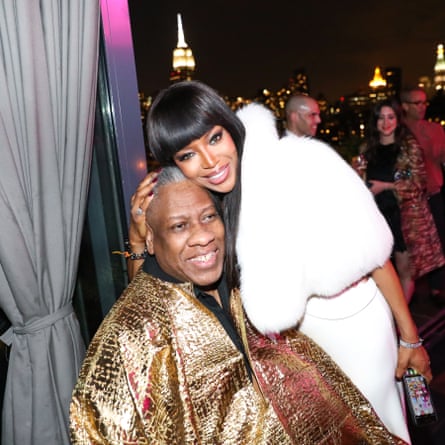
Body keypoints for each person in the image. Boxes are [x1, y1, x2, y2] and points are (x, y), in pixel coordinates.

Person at [128, 81, 431, 443]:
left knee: (374, 431)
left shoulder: (299, 162)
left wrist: (411, 340)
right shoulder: (208, 208)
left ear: (230, 127)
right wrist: (136, 238)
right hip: (284, 352)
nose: (209, 162)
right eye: (187, 155)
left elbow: (377, 258)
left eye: (213, 138)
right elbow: (153, 298)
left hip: (352, 325)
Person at [70, 167, 405, 444]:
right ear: (152, 241)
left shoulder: (247, 287)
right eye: (179, 226)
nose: (202, 236)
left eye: (208, 217)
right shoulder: (128, 334)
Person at [357, 99, 445, 303]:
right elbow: (359, 179)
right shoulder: (366, 149)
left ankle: (400, 319)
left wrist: (384, 186)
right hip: (376, 217)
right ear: (375, 122)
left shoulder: (409, 147)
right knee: (378, 270)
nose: (385, 123)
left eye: (390, 117)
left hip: (404, 217)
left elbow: (417, 184)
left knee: (405, 271)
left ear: (398, 120)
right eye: (380, 118)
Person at [401, 86, 445, 302]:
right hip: (412, 199)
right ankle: (411, 288)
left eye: (424, 102)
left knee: (440, 240)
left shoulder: (436, 129)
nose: (422, 107)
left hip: (435, 193)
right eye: (416, 103)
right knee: (415, 247)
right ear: (405, 106)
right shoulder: (400, 131)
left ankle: (437, 288)